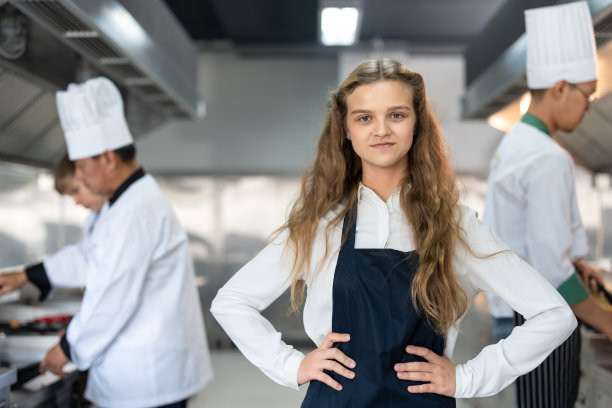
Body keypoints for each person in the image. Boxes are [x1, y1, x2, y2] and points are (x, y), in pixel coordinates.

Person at [211, 58, 576, 407]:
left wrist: (468, 378)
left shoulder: (454, 225)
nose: (381, 130)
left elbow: (554, 314)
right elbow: (231, 302)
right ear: (346, 130)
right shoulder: (321, 225)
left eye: (396, 115)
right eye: (364, 117)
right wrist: (291, 365)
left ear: (417, 124)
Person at [0, 77, 212, 408]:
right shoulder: (123, 204)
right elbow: (89, 258)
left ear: (108, 158)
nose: (79, 176)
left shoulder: (135, 212)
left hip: (147, 377)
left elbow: (112, 293)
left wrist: (69, 348)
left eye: (82, 167)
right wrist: (27, 275)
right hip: (144, 371)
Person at [483, 2, 612, 407]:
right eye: (586, 95)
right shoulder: (547, 157)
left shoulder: (517, 142)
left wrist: (577, 264)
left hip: (521, 314)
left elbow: (530, 240)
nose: (588, 105)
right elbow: (552, 273)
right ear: (559, 88)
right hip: (542, 320)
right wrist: (609, 323)